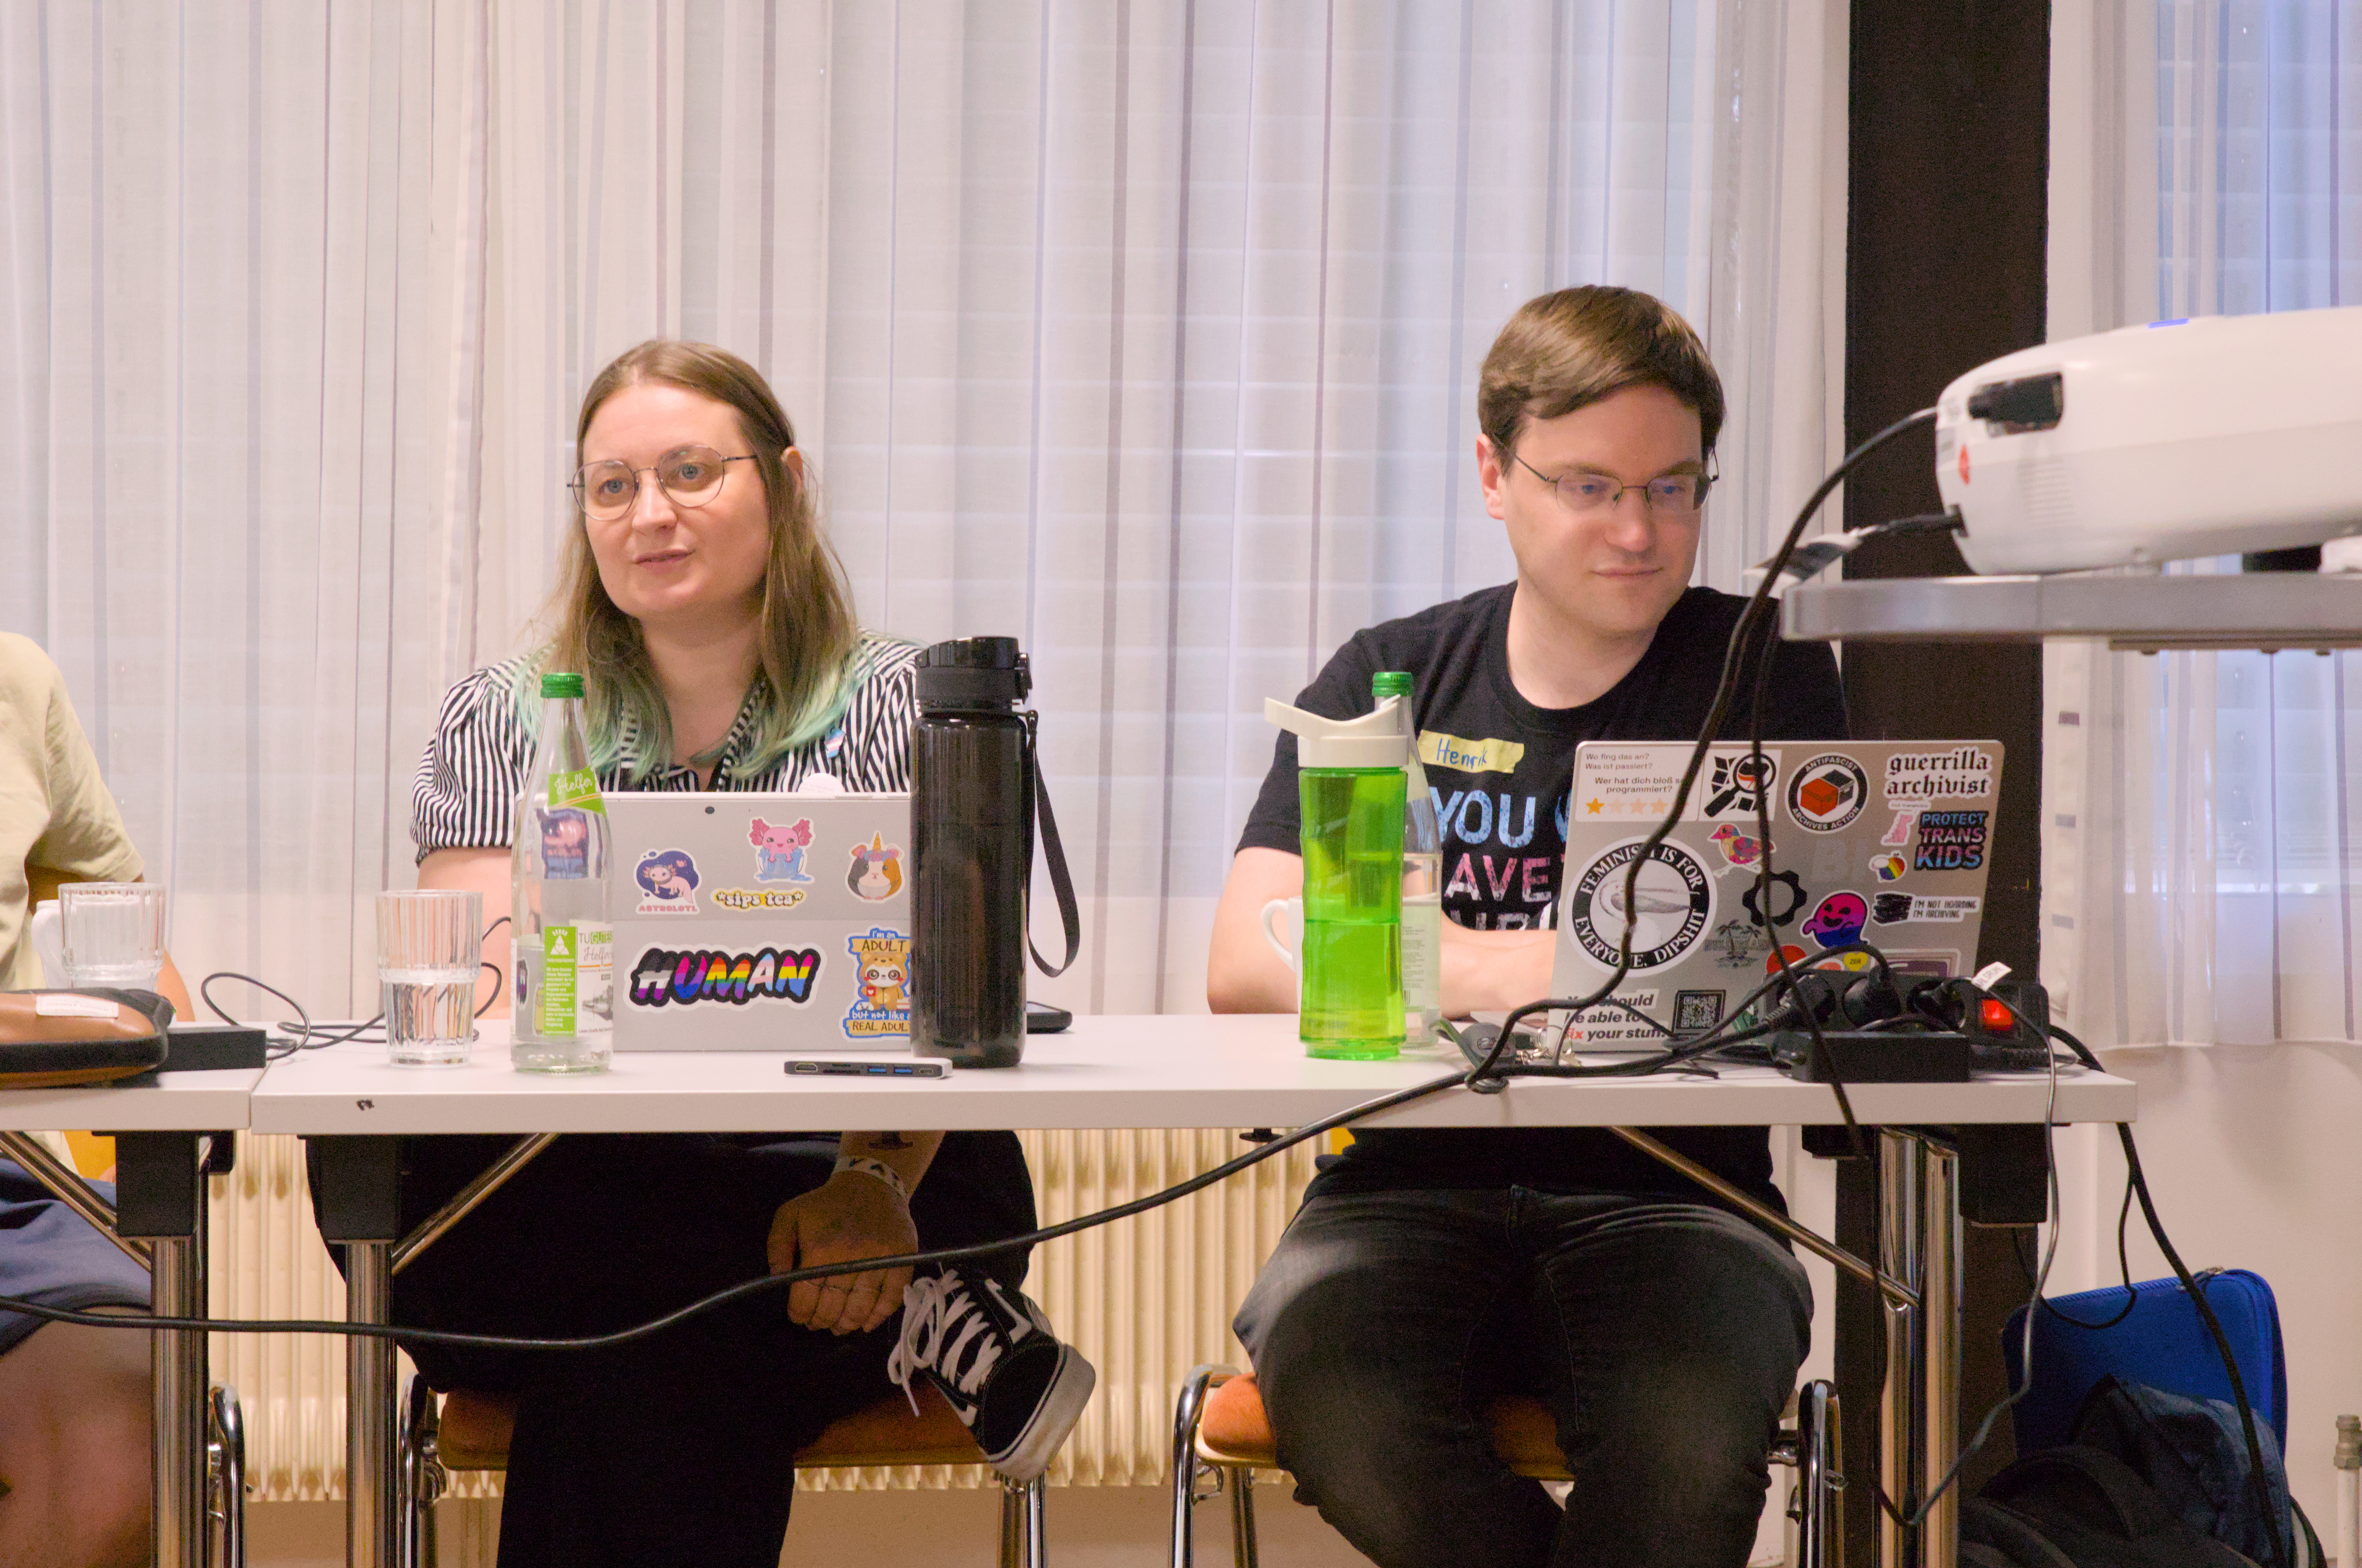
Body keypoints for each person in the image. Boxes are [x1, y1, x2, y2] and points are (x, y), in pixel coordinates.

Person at [397, 340, 1093, 1568]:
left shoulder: (908, 705)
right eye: (611, 486)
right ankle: (933, 1305)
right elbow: (494, 995)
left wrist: (871, 1187)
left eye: (689, 471)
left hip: (862, 1165)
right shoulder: (501, 716)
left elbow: (943, 1001)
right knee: (413, 1209)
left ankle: (902, 1268)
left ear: (784, 482)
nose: (649, 513)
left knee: (637, 1371)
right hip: (571, 1183)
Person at [1206, 287, 1848, 1568]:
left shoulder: (1762, 666)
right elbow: (1243, 960)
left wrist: (1428, 953)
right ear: (1493, 472)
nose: (1636, 529)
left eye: (1673, 488)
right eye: (1590, 485)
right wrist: (1555, 962)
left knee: (1681, 1457)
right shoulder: (1389, 673)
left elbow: (1804, 957)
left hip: (1679, 1192)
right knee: (1344, 1411)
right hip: (1396, 1187)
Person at [0, 631, 195, 1568]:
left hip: (17, 1195)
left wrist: (129, 1159)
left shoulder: (14, 680)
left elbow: (127, 945)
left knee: (114, 1469)